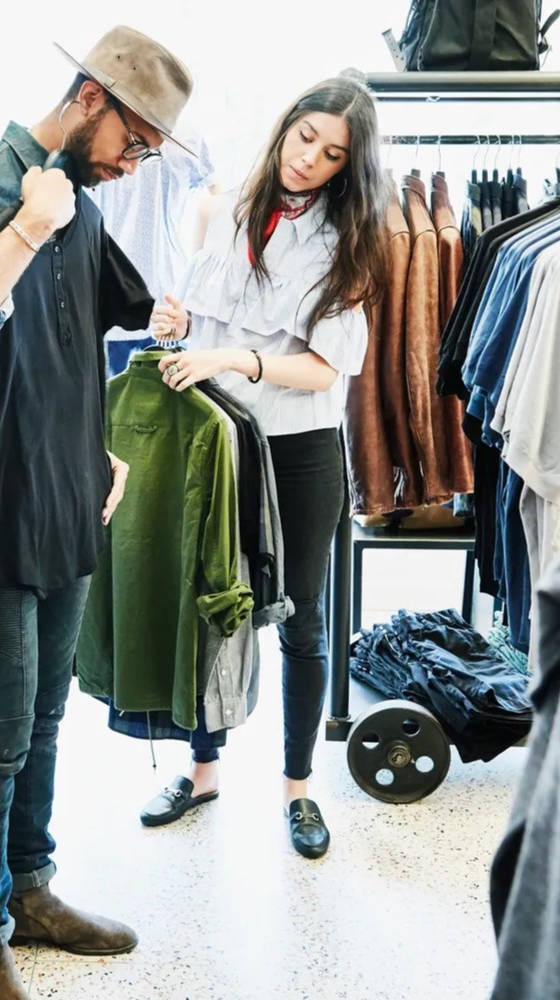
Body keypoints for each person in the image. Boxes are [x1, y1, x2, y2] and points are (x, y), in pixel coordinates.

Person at [0, 26, 196, 1000]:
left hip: (63, 486)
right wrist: (22, 230)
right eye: (136, 141)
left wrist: (94, 442)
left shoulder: (83, 200)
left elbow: (76, 342)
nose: (134, 162)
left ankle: (31, 889)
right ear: (89, 99)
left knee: (43, 715)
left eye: (151, 151)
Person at [139, 73, 387, 859]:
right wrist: (175, 323)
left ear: (350, 167)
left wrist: (233, 356)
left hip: (301, 447)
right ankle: (202, 770)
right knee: (207, 601)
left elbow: (324, 372)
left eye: (332, 153)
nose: (309, 158)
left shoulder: (352, 243)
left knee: (301, 620)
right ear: (286, 127)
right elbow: (192, 321)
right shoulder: (219, 210)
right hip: (215, 438)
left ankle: (299, 791)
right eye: (305, 136)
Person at [91, 131, 222, 374]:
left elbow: (221, 202)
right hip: (112, 301)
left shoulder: (189, 140)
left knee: (167, 403)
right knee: (110, 406)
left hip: (168, 303)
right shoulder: (106, 133)